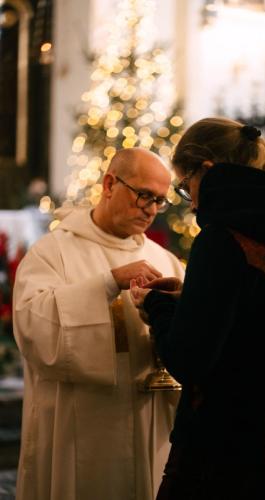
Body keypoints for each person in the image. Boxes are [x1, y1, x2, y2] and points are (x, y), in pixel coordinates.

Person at [130, 117, 265, 500]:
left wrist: (156, 304)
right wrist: (190, 300)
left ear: (207, 170)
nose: (191, 205)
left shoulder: (223, 239)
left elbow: (189, 358)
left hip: (227, 454)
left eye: (186, 186)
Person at [13, 147, 184, 500]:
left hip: (150, 423)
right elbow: (33, 328)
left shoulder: (164, 260)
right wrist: (108, 283)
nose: (151, 209)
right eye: (144, 195)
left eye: (160, 201)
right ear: (109, 184)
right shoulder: (52, 253)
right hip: (81, 430)